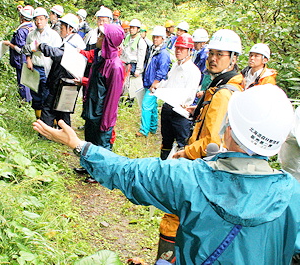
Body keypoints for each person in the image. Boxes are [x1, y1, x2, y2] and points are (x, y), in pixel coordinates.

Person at [33, 84, 299, 265]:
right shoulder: (293, 195)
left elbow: (128, 172)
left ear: (228, 129)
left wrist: (79, 145)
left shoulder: (189, 177)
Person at [160, 29, 244, 262]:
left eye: (220, 54)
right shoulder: (221, 85)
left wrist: (183, 153)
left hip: (203, 166)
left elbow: (212, 141)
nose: (213, 59)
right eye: (211, 54)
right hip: (212, 168)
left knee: (175, 217)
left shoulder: (224, 92)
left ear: (233, 58)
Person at [32, 13, 85, 127]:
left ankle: (45, 134)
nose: (60, 30)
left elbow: (58, 54)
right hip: (65, 81)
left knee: (48, 109)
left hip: (63, 81)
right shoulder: (71, 40)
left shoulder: (74, 42)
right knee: (62, 110)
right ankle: (65, 134)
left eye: (62, 28)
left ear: (70, 29)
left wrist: (42, 46)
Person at [78, 23, 125, 152]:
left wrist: (105, 124)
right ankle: (87, 167)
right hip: (92, 110)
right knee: (89, 142)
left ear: (107, 41)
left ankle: (99, 171)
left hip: (101, 116)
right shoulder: (100, 58)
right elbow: (97, 84)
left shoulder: (115, 67)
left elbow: (112, 98)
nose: (98, 38)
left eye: (101, 36)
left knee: (101, 148)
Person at [157, 34, 201, 159]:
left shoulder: (193, 71)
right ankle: (163, 165)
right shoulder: (175, 66)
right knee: (166, 141)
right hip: (167, 108)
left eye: (182, 48)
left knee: (182, 144)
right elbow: (168, 83)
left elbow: (189, 94)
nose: (178, 51)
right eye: (177, 48)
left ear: (189, 51)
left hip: (180, 112)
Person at [23, 7, 62, 119]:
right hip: (34, 68)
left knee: (47, 95)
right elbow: (27, 49)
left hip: (47, 69)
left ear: (46, 19)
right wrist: (28, 60)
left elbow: (58, 54)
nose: (38, 22)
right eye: (36, 19)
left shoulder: (53, 35)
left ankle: (48, 121)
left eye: (41, 19)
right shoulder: (31, 35)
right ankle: (38, 120)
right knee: (36, 95)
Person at [136, 26, 170, 137]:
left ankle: (143, 130)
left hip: (154, 84)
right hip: (148, 82)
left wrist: (155, 82)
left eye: (158, 37)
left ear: (163, 38)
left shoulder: (163, 53)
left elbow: (162, 70)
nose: (155, 39)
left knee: (146, 105)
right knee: (153, 106)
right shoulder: (153, 49)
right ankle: (152, 127)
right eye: (154, 37)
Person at [3, 5, 35, 102]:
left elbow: (21, 50)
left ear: (22, 18)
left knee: (23, 82)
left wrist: (10, 44)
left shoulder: (21, 31)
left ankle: (25, 101)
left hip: (22, 60)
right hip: (32, 59)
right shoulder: (33, 26)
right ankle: (30, 100)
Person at [120, 18, 148, 107]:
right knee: (123, 83)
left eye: (134, 28)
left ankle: (129, 102)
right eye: (131, 27)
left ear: (138, 29)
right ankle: (120, 99)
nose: (132, 29)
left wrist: (139, 70)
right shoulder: (127, 38)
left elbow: (141, 56)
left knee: (132, 84)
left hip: (134, 64)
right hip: (125, 63)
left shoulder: (141, 42)